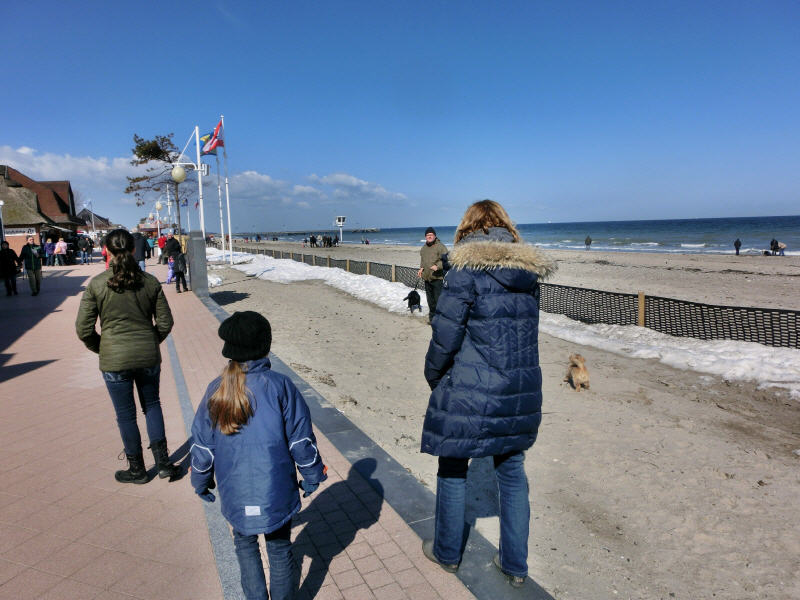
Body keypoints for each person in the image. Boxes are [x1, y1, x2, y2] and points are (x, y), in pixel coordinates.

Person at [419, 199, 555, 588]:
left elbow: (446, 333)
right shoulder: (528, 275)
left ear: (468, 229)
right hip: (519, 387)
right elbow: (524, 335)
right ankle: (515, 564)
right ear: (506, 229)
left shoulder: (465, 271)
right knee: (511, 472)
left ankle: (447, 553)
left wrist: (433, 374)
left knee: (452, 465)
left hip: (472, 386)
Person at [190, 311, 327, 600]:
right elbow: (301, 439)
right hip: (275, 489)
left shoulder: (216, 390)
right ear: (265, 345)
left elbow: (203, 446)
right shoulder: (280, 386)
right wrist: (312, 475)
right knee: (279, 549)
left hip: (235, 490)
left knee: (244, 545)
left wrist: (200, 482)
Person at [75, 229, 178, 484]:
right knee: (152, 405)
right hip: (147, 356)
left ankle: (137, 469)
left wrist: (104, 348)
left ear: (107, 251)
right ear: (134, 249)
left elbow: (83, 329)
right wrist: (150, 342)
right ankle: (163, 463)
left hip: (114, 360)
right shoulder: (150, 282)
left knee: (126, 415)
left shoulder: (97, 284)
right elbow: (165, 322)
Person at [417, 227, 448, 323]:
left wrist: (438, 266)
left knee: (439, 301)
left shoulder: (441, 247)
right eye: (427, 235)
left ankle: (440, 320)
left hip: (437, 278)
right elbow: (423, 261)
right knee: (430, 302)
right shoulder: (424, 248)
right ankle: (432, 320)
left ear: (435, 236)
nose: (429, 236)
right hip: (427, 278)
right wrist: (421, 269)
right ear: (425, 237)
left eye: (431, 235)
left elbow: (447, 260)